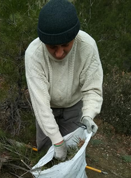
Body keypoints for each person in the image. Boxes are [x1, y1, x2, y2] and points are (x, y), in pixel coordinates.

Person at [25, 0, 103, 161]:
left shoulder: (87, 47)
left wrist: (88, 115)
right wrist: (57, 141)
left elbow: (92, 88)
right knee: (47, 150)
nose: (59, 53)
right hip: (47, 108)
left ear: (74, 37)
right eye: (52, 47)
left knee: (73, 150)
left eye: (65, 45)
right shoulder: (34, 54)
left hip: (74, 106)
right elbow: (41, 104)